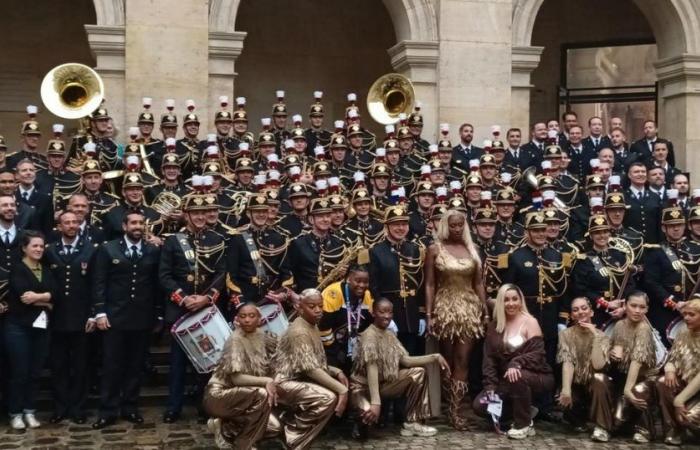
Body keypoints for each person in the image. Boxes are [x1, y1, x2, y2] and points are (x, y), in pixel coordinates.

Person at [159, 189, 226, 423]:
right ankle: (173, 407)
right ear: (185, 215)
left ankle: (205, 407)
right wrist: (183, 298)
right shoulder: (172, 241)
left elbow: (221, 274)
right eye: (194, 212)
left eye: (202, 212)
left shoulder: (217, 240)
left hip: (206, 310)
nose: (199, 216)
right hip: (180, 310)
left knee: (207, 363)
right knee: (177, 364)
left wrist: (207, 299)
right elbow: (164, 275)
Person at [92, 211, 162, 429]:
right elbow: (98, 282)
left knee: (135, 366)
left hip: (141, 317)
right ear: (124, 226)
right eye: (133, 223)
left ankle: (130, 407)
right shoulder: (108, 249)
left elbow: (156, 284)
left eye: (141, 223)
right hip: (114, 317)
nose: (137, 226)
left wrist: (158, 314)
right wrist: (100, 312)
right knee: (112, 365)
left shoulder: (152, 250)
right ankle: (108, 410)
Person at [350, 298, 449, 440]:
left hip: (382, 385)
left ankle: (413, 423)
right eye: (382, 312)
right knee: (367, 416)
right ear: (373, 313)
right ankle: (360, 425)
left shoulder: (390, 335)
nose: (387, 316)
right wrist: (376, 403)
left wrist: (435, 357)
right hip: (362, 388)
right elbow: (372, 369)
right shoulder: (369, 335)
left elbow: (406, 361)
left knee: (418, 373)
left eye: (390, 312)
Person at [424, 209, 486, 430]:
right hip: (445, 309)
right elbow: (430, 284)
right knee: (447, 361)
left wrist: (485, 312)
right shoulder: (434, 249)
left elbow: (478, 283)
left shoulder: (473, 249)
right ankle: (446, 405)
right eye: (453, 225)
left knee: (463, 360)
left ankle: (456, 411)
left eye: (461, 225)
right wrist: (429, 315)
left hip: (469, 309)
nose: (457, 229)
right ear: (445, 226)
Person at [472, 284, 554, 440]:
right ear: (500, 303)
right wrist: (490, 386)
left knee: (517, 376)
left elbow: (538, 355)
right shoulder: (494, 327)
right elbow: (489, 360)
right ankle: (524, 409)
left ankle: (524, 424)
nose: (511, 304)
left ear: (520, 301)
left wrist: (516, 362)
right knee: (480, 405)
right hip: (505, 382)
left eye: (515, 299)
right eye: (506, 300)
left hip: (536, 375)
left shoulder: (530, 322)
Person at [273, 289, 348, 449]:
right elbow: (310, 369)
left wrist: (336, 371)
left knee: (336, 385)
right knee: (326, 398)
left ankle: (289, 427)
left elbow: (313, 363)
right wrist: (342, 390)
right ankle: (293, 438)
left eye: (320, 306)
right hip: (285, 382)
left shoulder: (311, 325)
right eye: (312, 306)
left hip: (298, 378)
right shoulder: (300, 332)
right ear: (300, 308)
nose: (318, 310)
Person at [44, 211, 98, 424]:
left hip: (81, 317)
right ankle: (60, 407)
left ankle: (78, 408)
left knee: (80, 365)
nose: (71, 225)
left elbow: (96, 283)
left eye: (75, 222)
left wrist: (94, 313)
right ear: (59, 226)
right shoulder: (50, 250)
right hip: (56, 317)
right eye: (67, 222)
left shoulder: (91, 249)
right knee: (58, 366)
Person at [203, 303, 280, 449]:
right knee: (263, 394)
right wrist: (267, 380)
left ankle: (226, 426)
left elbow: (278, 354)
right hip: (219, 395)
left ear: (259, 319)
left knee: (274, 428)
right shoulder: (235, 340)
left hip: (245, 396)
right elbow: (237, 379)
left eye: (252, 316)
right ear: (237, 319)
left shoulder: (262, 336)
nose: (247, 320)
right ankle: (245, 444)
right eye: (243, 316)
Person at [4, 230, 55, 430]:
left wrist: (40, 297)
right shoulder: (17, 269)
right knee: (20, 372)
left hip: (41, 328)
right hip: (18, 328)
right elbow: (23, 295)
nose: (39, 249)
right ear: (24, 248)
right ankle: (15, 413)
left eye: (41, 246)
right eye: (34, 245)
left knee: (35, 372)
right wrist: (46, 299)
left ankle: (29, 410)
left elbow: (56, 292)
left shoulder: (46, 269)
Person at [368, 204, 424, 355]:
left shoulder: (414, 249)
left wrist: (422, 314)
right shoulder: (376, 251)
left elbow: (421, 283)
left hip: (412, 315)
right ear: (387, 226)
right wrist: (383, 316)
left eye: (404, 224)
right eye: (396, 224)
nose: (401, 228)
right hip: (390, 315)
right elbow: (374, 287)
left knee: (414, 359)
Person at [556, 297, 613, 442]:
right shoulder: (565, 334)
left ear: (591, 312)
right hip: (577, 384)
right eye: (575, 310)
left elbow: (598, 365)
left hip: (595, 385)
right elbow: (567, 362)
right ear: (572, 315)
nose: (580, 312)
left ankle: (602, 428)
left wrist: (595, 336)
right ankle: (578, 420)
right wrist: (566, 389)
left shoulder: (603, 335)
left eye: (584, 308)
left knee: (599, 380)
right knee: (564, 394)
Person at [607, 291, 658, 443]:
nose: (637, 310)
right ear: (625, 306)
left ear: (647, 310)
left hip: (643, 378)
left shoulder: (644, 328)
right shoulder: (619, 325)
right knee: (616, 423)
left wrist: (628, 390)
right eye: (633, 306)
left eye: (642, 307)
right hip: (624, 376)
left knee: (639, 391)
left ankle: (645, 429)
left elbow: (637, 361)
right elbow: (614, 349)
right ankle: (626, 423)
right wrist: (611, 353)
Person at [656, 297, 700, 446]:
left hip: (696, 386)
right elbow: (673, 357)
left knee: (688, 417)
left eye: (692, 314)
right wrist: (669, 370)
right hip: (688, 384)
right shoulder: (683, 332)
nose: (686, 318)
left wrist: (679, 399)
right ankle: (673, 430)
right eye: (685, 314)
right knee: (663, 382)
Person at [319, 264, 373, 374]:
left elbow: (366, 325)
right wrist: (335, 351)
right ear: (348, 279)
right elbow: (323, 328)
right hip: (327, 346)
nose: (362, 285)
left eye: (365, 282)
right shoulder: (333, 293)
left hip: (350, 344)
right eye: (357, 281)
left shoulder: (367, 295)